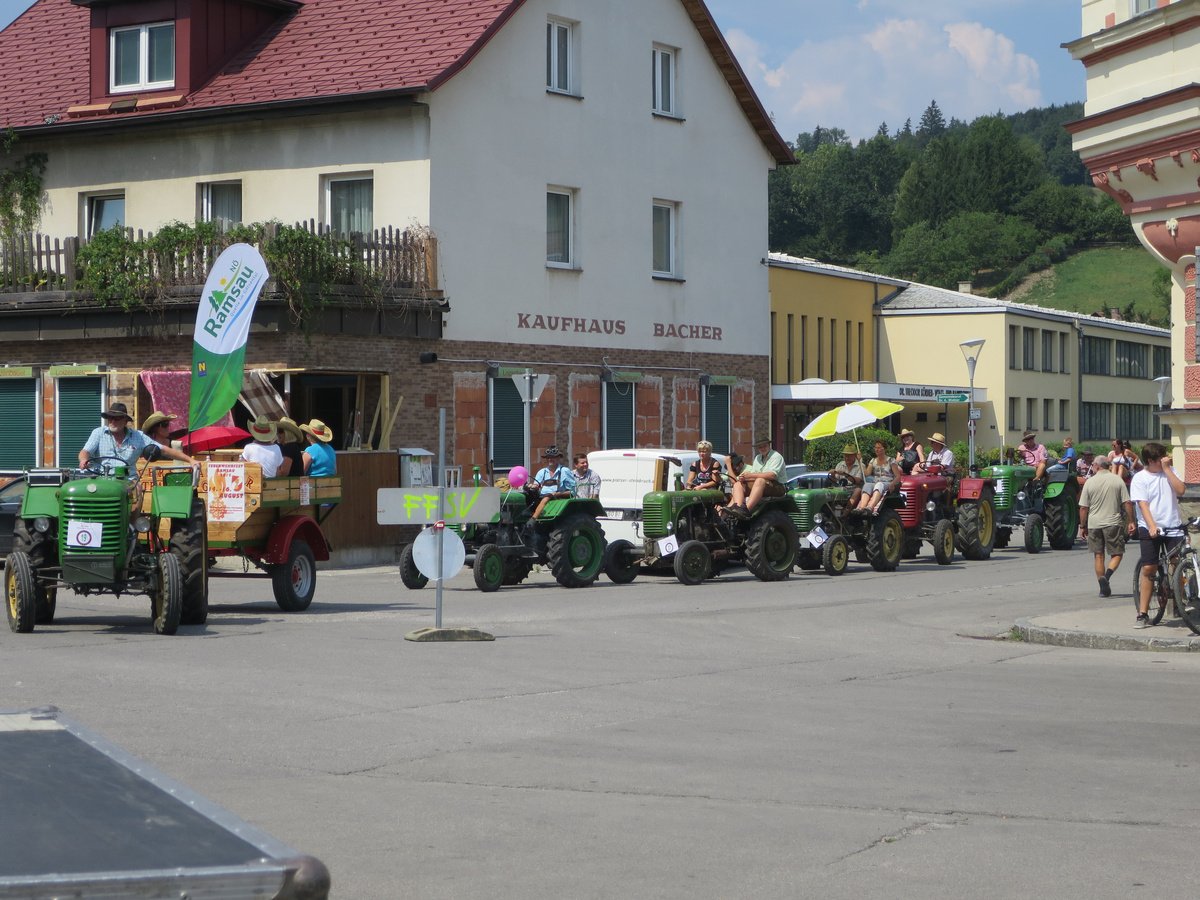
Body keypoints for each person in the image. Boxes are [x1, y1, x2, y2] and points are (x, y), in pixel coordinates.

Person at [1131, 442, 1186, 628]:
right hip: (1149, 527)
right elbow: (1143, 505)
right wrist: (1152, 526)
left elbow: (1181, 490)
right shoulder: (1140, 478)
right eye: (1160, 459)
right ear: (1150, 460)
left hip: (1173, 525)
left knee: (1177, 564)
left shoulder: (1170, 471)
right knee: (1149, 568)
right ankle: (1143, 613)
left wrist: (1167, 469)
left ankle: (1178, 601)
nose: (1164, 460)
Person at [1077, 456, 1134, 598]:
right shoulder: (1117, 480)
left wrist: (1082, 526)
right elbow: (1127, 502)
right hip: (1113, 522)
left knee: (1098, 555)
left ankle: (1103, 589)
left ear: (1097, 466)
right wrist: (1131, 521)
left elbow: (1083, 507)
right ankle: (1106, 577)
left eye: (1093, 465)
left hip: (1094, 524)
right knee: (1117, 554)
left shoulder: (1089, 482)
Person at [80, 402, 194, 472]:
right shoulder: (98, 433)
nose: (112, 421)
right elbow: (85, 451)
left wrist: (190, 460)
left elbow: (163, 450)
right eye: (110, 418)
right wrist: (83, 460)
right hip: (101, 478)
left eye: (117, 418)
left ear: (125, 421)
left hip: (128, 482)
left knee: (135, 493)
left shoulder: (138, 436)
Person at [726, 435, 785, 518]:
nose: (762, 448)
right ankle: (738, 508)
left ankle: (746, 510)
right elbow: (753, 475)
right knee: (737, 484)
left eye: (764, 446)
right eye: (760, 447)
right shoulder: (757, 458)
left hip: (777, 486)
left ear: (769, 445)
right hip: (762, 485)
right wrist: (744, 478)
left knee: (760, 480)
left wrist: (750, 475)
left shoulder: (776, 456)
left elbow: (772, 475)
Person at [856, 439, 902, 514]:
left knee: (879, 484)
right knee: (867, 485)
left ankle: (870, 507)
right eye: (875, 448)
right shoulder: (873, 460)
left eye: (879, 447)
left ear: (884, 449)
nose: (876, 449)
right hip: (876, 482)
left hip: (887, 482)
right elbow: (867, 473)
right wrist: (860, 461)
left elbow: (898, 476)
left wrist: (892, 484)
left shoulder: (891, 460)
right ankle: (861, 508)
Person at [529, 446, 576, 519]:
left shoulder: (565, 471)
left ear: (558, 458)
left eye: (553, 457)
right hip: (541, 496)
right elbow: (536, 484)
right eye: (548, 457)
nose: (550, 459)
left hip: (558, 498)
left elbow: (573, 491)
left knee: (547, 497)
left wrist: (558, 494)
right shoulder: (542, 472)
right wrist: (532, 486)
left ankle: (533, 520)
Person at [829, 444, 865, 508]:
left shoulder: (861, 465)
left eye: (849, 456)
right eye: (845, 455)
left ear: (855, 455)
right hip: (841, 489)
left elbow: (858, 481)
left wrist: (845, 475)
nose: (847, 458)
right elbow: (836, 481)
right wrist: (832, 474)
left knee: (858, 490)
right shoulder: (840, 464)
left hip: (853, 490)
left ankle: (845, 512)